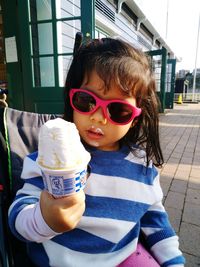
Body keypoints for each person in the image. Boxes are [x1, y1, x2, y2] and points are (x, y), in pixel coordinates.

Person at [8, 37, 185, 267]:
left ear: (134, 119)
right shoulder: (52, 159)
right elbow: (18, 217)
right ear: (71, 98)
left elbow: (156, 223)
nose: (98, 116)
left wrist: (174, 261)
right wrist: (45, 219)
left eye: (118, 109)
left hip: (124, 256)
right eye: (86, 100)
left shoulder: (143, 167)